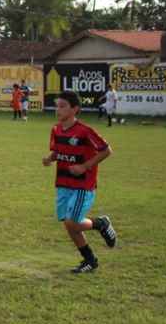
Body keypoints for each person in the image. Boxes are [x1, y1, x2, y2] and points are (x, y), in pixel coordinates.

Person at [41, 90, 118, 274]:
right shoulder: (56, 129)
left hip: (82, 184)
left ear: (75, 109)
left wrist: (85, 166)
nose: (57, 110)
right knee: (69, 225)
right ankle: (90, 260)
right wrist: (50, 158)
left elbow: (106, 150)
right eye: (56, 106)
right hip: (63, 183)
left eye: (62, 106)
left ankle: (100, 224)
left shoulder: (84, 131)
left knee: (72, 222)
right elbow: (58, 150)